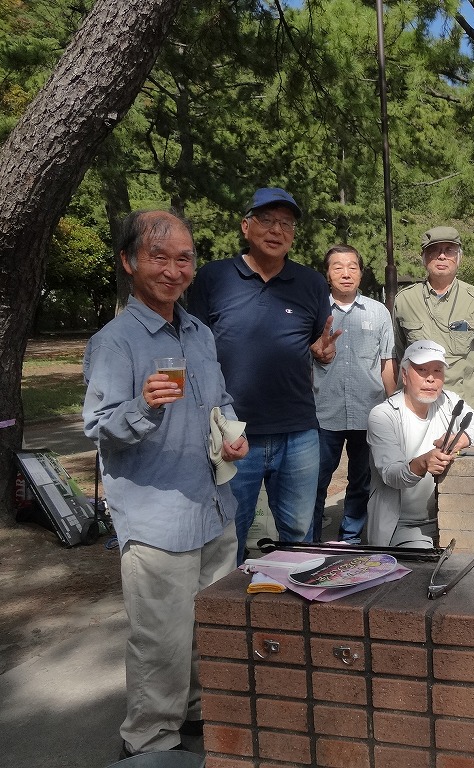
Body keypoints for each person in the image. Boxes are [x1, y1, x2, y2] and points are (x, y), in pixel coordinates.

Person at [83, 210, 248, 759]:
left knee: (208, 629)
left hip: (212, 505)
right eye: (159, 257)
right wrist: (143, 406)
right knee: (161, 641)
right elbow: (98, 427)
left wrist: (232, 434)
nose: (174, 270)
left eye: (184, 259)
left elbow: (219, 401)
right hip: (157, 517)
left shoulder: (199, 333)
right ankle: (149, 742)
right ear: (129, 262)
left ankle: (196, 713)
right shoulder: (116, 342)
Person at [189, 187, 339, 564]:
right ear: (246, 226)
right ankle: (231, 602)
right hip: (232, 431)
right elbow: (194, 350)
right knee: (228, 537)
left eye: (286, 224)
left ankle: (293, 598)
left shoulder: (311, 283)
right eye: (267, 220)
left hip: (298, 431)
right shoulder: (213, 277)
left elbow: (316, 346)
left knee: (299, 536)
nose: (277, 230)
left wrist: (323, 354)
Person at [365, 339, 474, 548]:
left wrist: (459, 439)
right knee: (427, 559)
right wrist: (422, 463)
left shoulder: (449, 401)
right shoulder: (383, 415)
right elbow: (391, 475)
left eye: (437, 370)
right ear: (404, 375)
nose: (430, 378)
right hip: (402, 526)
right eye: (422, 370)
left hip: (449, 518)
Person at [309, 244, 397, 543]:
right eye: (338, 267)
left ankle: (350, 538)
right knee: (316, 481)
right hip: (324, 411)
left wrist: (393, 405)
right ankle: (310, 540)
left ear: (360, 272)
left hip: (368, 411)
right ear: (327, 274)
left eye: (352, 267)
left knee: (361, 480)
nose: (345, 273)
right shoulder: (315, 311)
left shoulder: (378, 311)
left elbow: (386, 362)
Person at [392, 226, 474, 410]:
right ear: (424, 258)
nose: (441, 256)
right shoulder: (405, 300)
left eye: (449, 250)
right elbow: (400, 352)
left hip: (462, 404)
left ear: (459, 257)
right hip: (416, 406)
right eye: (434, 250)